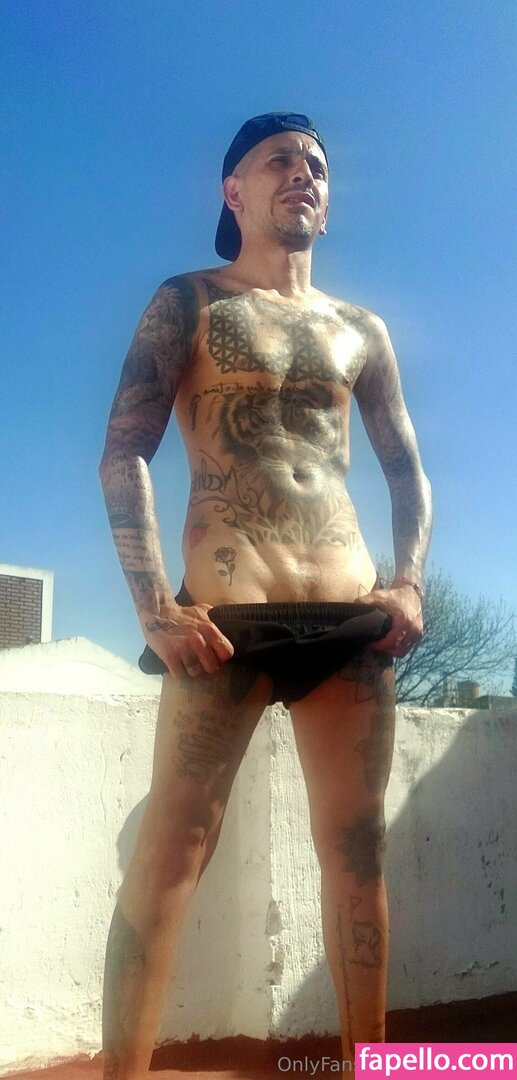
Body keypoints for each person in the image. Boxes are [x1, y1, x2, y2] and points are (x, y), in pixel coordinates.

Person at [98, 111, 432, 1077]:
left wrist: (408, 581)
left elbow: (405, 470)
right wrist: (153, 605)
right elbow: (124, 451)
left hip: (350, 617)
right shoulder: (189, 301)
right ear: (232, 191)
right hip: (222, 620)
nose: (303, 174)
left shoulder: (359, 328)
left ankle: (370, 1068)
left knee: (356, 855)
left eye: (316, 164)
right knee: (175, 847)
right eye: (278, 160)